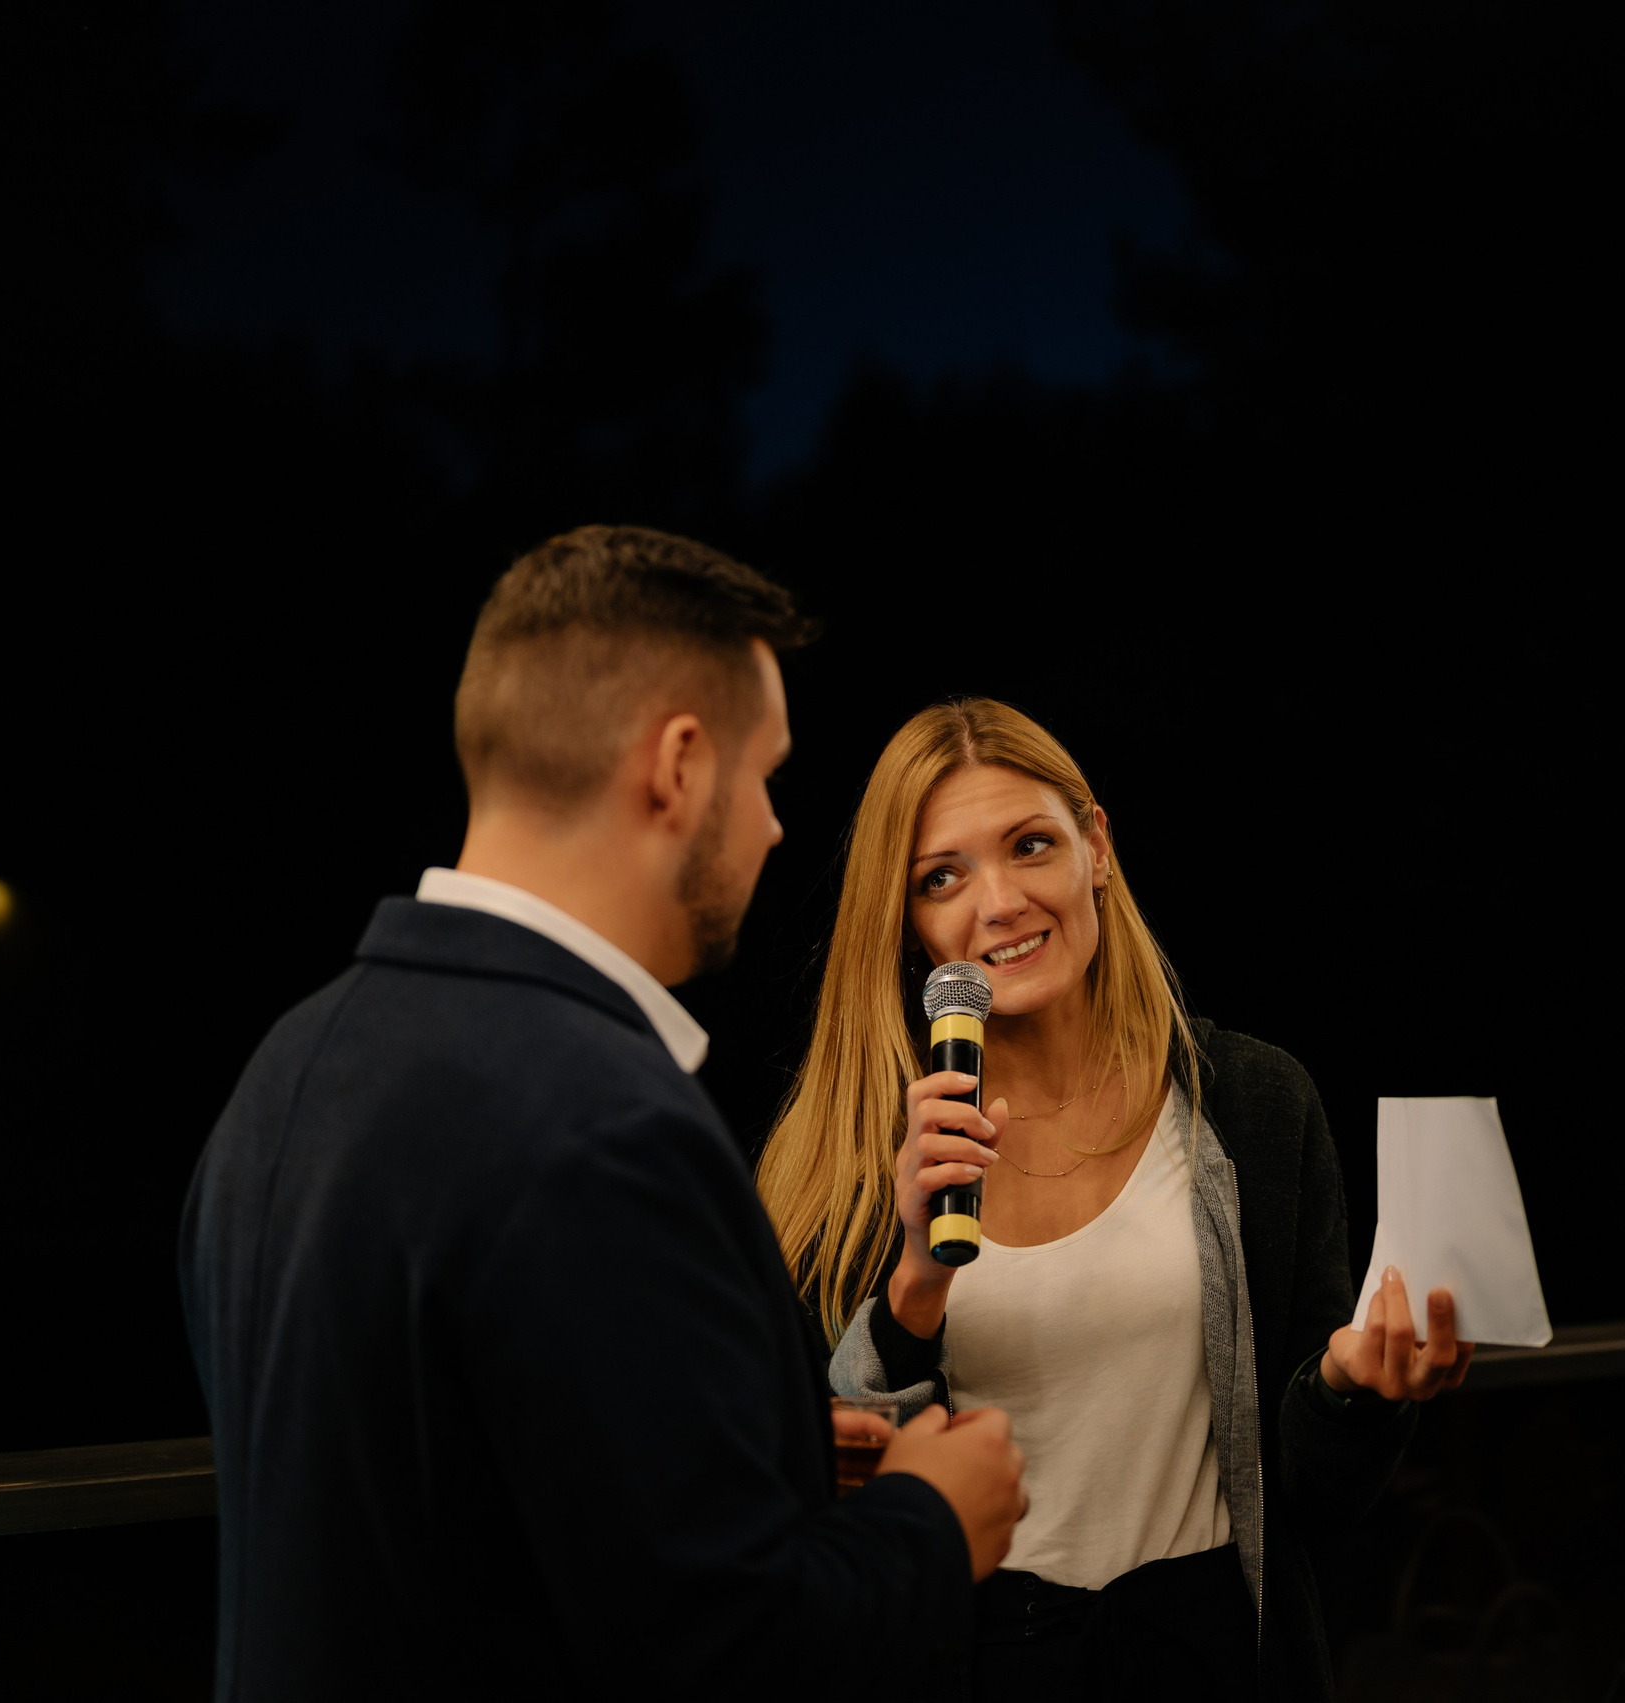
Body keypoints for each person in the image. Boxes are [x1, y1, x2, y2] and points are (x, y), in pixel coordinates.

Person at [180, 527, 1025, 1698]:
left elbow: (459, 1505)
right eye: (767, 772)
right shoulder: (601, 1126)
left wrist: (768, 1460)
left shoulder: (289, 1068)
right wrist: (931, 1522)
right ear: (677, 765)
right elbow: (725, 1653)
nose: (778, 826)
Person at [756, 697, 1472, 1702]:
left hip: (1214, 1649)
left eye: (1031, 844)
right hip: (984, 1660)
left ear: (1096, 847)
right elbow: (818, 1521)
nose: (998, 901)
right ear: (908, 924)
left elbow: (1311, 1502)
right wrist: (914, 1282)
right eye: (942, 876)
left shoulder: (1252, 1104)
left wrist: (1352, 1387)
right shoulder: (852, 1161)